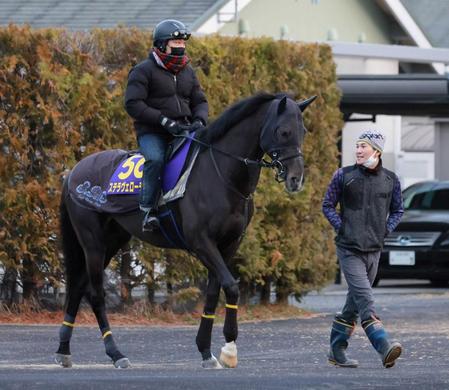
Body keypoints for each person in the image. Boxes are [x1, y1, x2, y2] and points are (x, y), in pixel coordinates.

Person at [322, 129, 404, 368]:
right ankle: (384, 346)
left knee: (354, 303)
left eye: (363, 146)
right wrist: (342, 227)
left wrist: (385, 230)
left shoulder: (391, 179)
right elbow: (327, 205)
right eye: (357, 146)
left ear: (376, 151)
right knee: (365, 299)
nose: (358, 150)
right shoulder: (343, 175)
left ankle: (336, 351)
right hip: (349, 249)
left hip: (374, 250)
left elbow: (398, 210)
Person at [124, 19, 208, 231]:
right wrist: (163, 120)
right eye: (175, 43)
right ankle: (147, 211)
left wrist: (200, 120)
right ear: (161, 45)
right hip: (153, 132)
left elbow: (200, 101)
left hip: (185, 129)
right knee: (155, 159)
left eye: (182, 44)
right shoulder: (143, 71)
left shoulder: (188, 72)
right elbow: (133, 104)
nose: (181, 47)